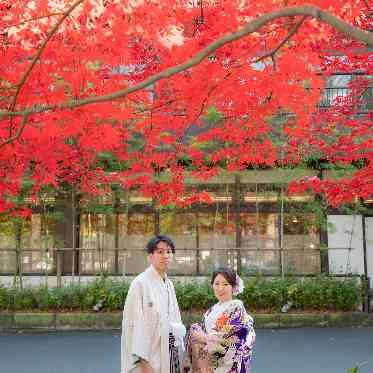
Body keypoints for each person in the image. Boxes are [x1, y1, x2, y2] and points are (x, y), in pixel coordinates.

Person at [121, 235, 186, 373]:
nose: (165, 256)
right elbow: (133, 326)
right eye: (160, 252)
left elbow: (176, 322)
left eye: (168, 252)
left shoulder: (169, 284)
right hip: (147, 362)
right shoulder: (140, 284)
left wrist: (182, 356)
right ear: (150, 256)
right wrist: (144, 364)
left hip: (169, 356)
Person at [186, 267, 255, 373]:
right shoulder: (211, 310)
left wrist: (204, 338)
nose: (220, 288)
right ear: (212, 285)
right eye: (216, 283)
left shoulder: (236, 307)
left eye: (225, 284)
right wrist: (196, 334)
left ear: (234, 287)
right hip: (206, 363)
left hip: (224, 364)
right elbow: (200, 334)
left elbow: (232, 338)